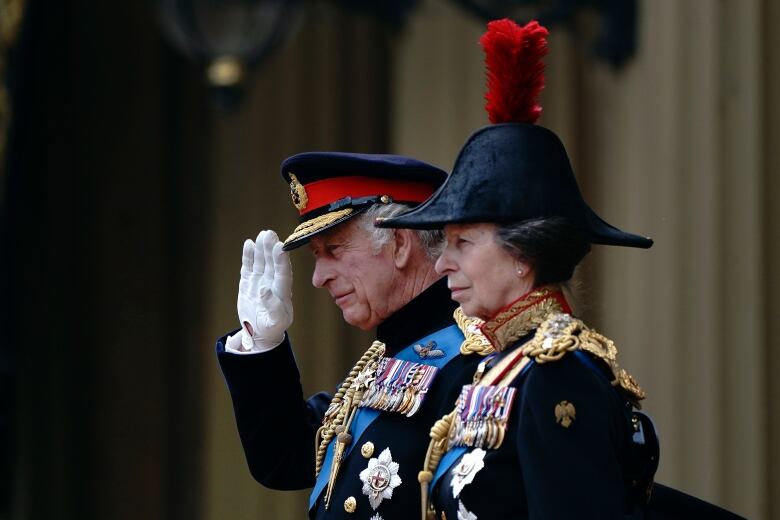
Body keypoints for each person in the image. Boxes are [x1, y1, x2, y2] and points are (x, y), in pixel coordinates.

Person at [377, 18, 744, 520]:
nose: (443, 262)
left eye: (463, 242)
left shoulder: (556, 374)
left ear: (524, 255)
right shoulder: (499, 367)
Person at [216, 152, 491, 519]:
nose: (318, 277)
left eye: (334, 249)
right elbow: (287, 459)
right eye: (316, 255)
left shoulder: (474, 362)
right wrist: (261, 344)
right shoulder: (387, 359)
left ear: (400, 243)